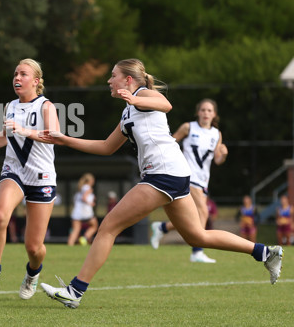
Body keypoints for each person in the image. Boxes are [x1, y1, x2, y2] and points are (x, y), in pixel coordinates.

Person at [39, 58, 283, 309]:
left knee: (108, 228)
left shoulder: (142, 95)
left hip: (163, 175)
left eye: (113, 75)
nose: (109, 80)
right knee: (197, 236)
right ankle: (265, 252)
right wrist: (64, 139)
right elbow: (105, 147)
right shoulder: (128, 110)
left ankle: (75, 291)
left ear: (128, 80)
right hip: (173, 174)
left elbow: (165, 104)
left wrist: (135, 98)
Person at [0, 58, 60, 300]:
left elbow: (54, 136)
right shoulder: (11, 105)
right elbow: (6, 135)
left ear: (36, 81)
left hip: (41, 177)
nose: (17, 78)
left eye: (23, 74)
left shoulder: (46, 106)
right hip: (15, 171)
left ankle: (33, 273)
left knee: (34, 248)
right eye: (15, 74)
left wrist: (25, 131)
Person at [150, 98, 228, 263]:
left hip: (203, 179)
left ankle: (162, 227)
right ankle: (197, 251)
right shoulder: (188, 127)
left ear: (214, 114)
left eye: (209, 110)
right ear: (198, 112)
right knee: (203, 212)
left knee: (192, 217)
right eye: (203, 110)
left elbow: (218, 160)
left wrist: (224, 153)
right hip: (187, 174)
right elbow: (170, 143)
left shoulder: (216, 134)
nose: (206, 113)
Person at [67, 173, 98, 246]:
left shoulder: (80, 189)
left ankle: (69, 245)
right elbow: (84, 198)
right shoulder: (88, 188)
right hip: (85, 212)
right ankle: (84, 238)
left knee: (75, 230)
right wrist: (90, 203)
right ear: (91, 180)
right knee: (94, 226)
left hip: (76, 212)